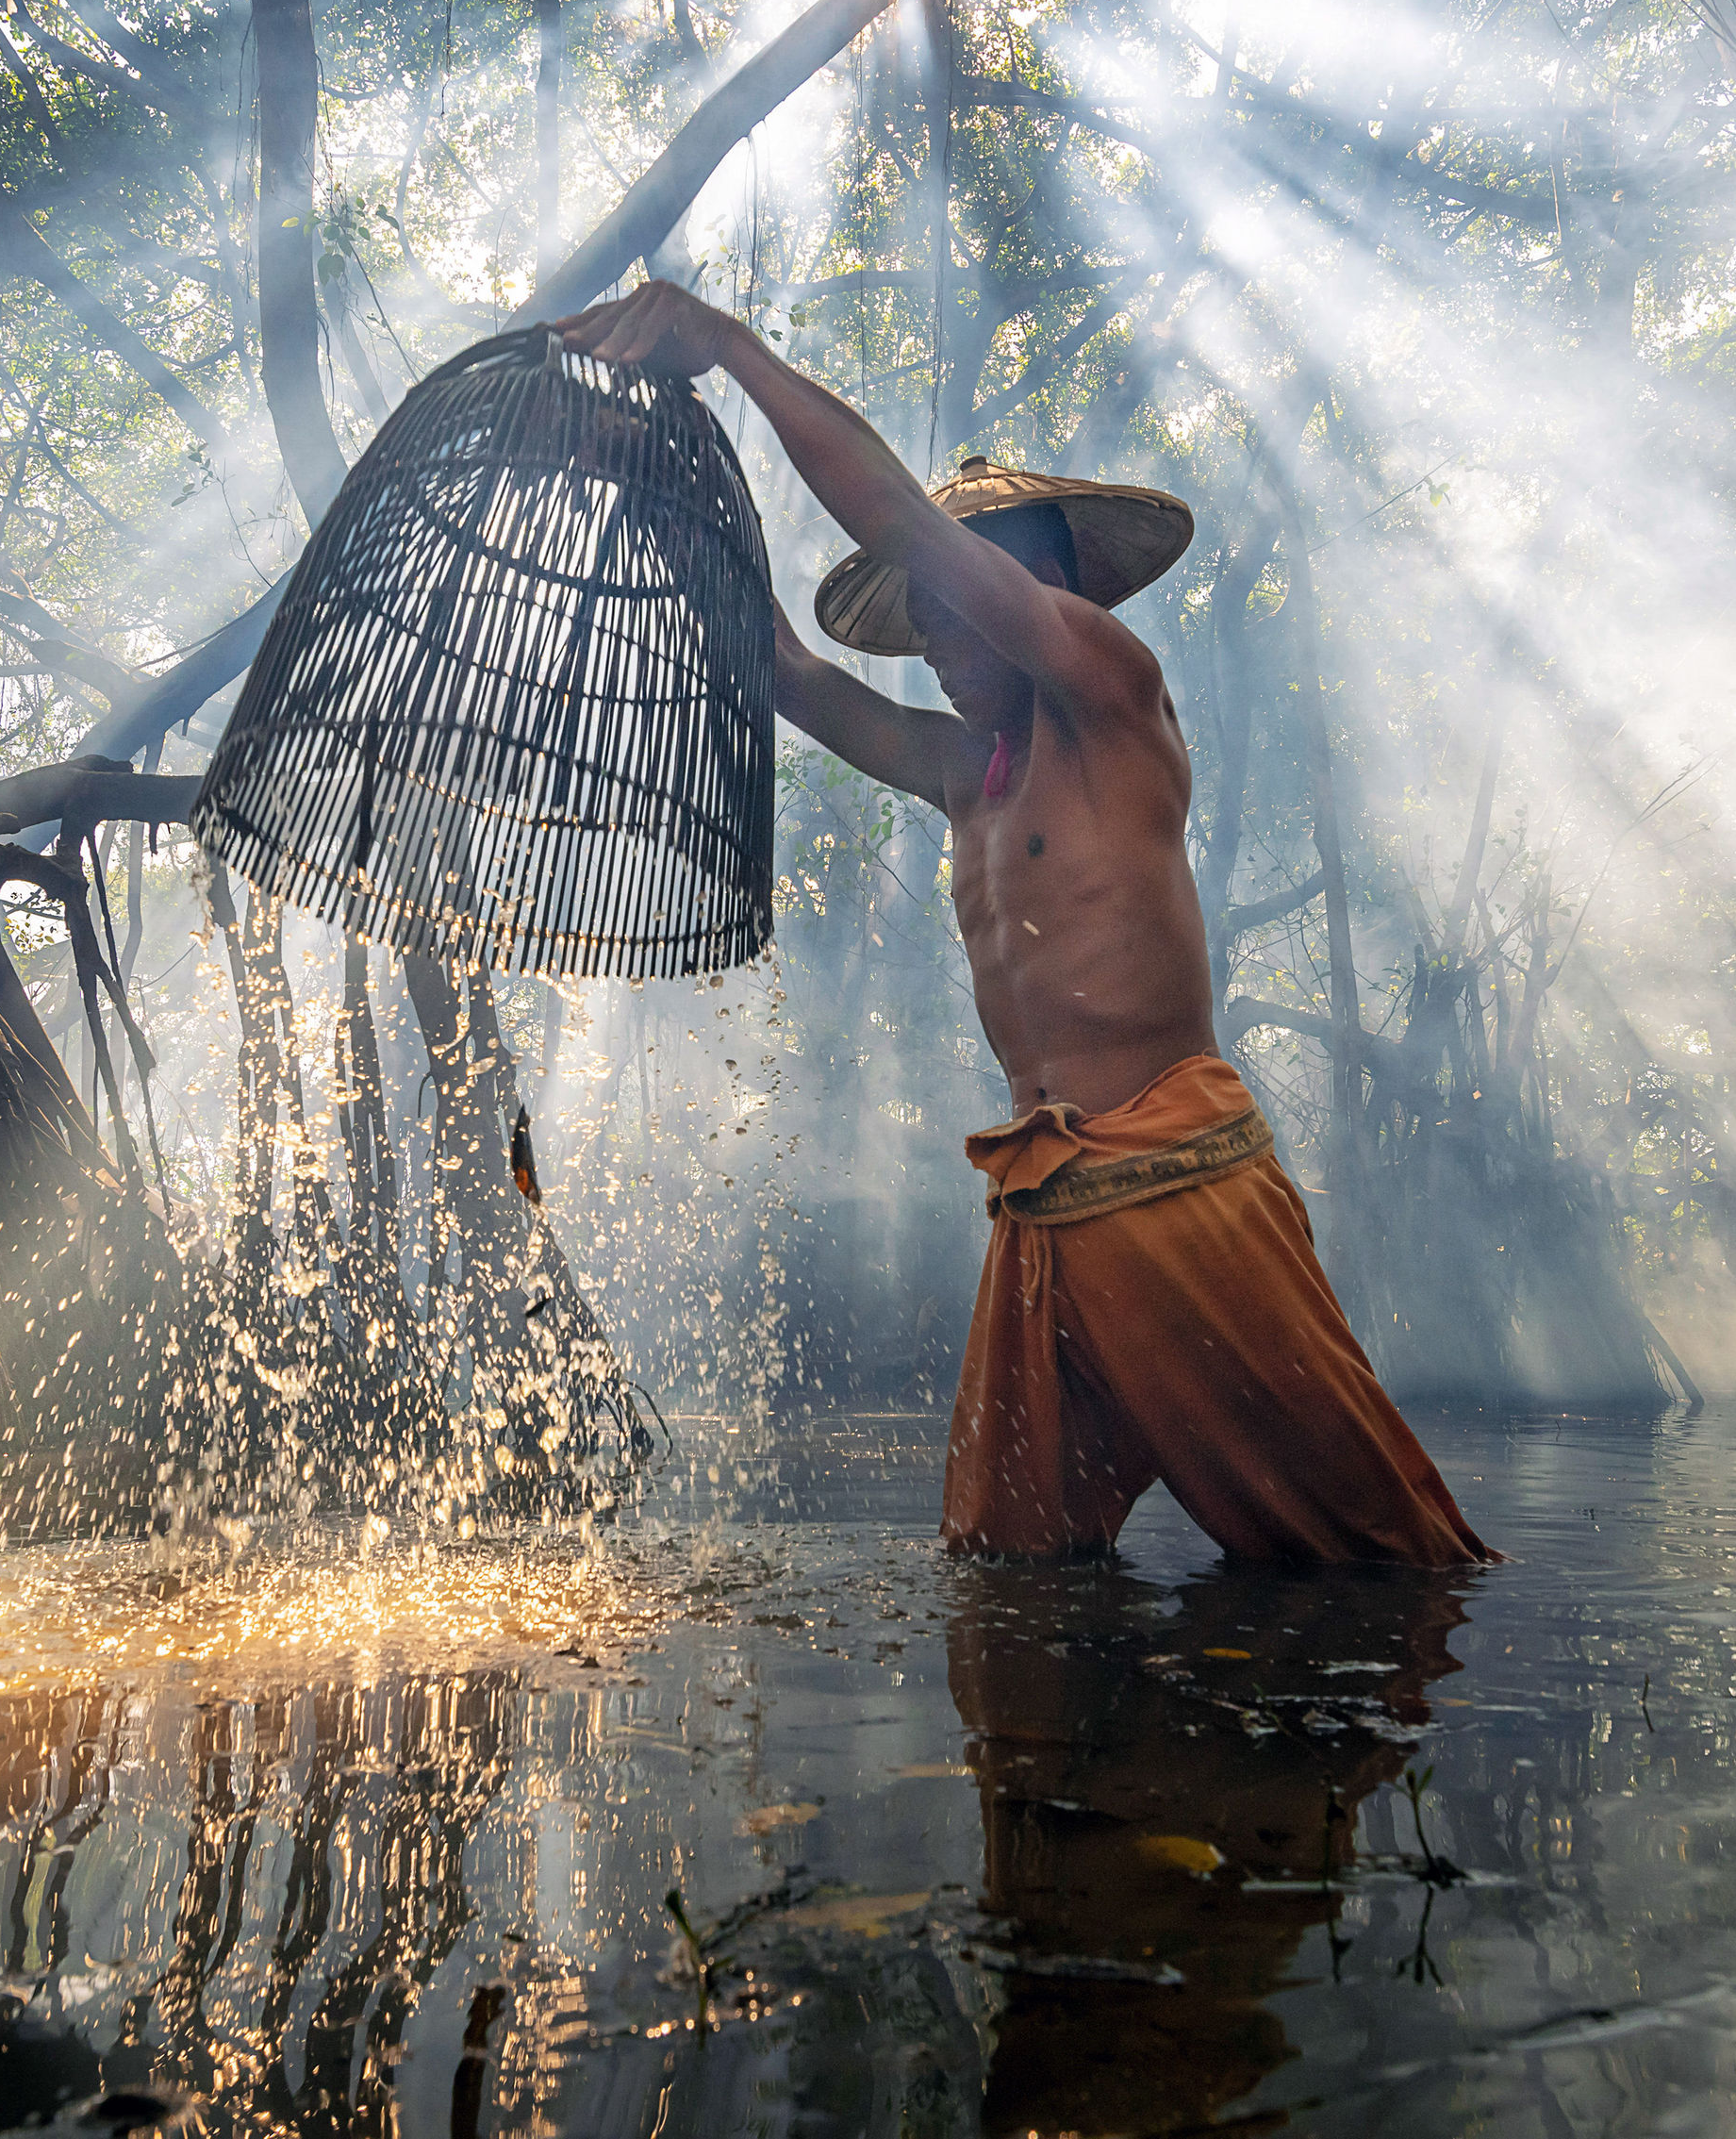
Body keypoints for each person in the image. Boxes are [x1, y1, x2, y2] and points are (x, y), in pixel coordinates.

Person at [554, 282, 1493, 1567]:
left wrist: (728, 348)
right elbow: (784, 671)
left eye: (951, 605)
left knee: (1377, 1561)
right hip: (1042, 1211)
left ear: (1033, 590)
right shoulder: (964, 771)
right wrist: (663, 487)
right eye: (924, 618)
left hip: (1184, 1189)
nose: (933, 637)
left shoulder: (1115, 696)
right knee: (1007, 1570)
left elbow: (900, 525)